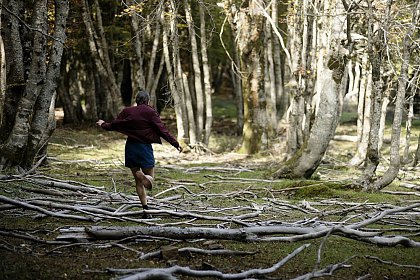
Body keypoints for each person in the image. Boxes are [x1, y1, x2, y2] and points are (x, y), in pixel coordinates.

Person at [96, 90, 182, 218]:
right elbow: (162, 130)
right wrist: (175, 143)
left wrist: (103, 124)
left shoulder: (127, 111)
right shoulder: (150, 112)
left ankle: (145, 209)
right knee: (150, 180)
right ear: (147, 100)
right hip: (144, 149)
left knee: (138, 183)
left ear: (136, 100)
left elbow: (115, 124)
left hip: (131, 148)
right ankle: (144, 177)